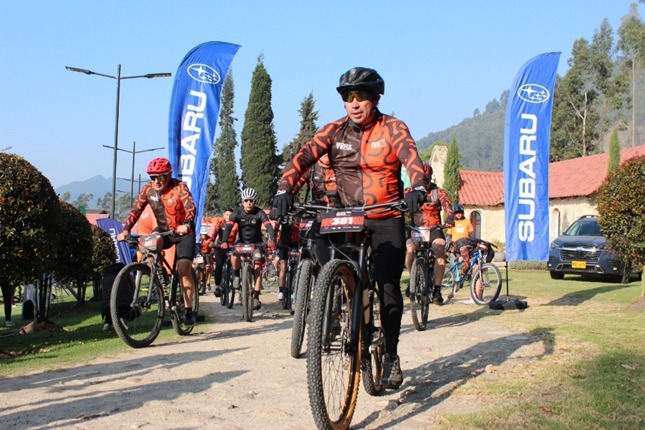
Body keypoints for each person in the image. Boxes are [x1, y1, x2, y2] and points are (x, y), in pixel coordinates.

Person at [272, 67, 428, 390]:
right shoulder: (333, 132)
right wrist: (284, 191)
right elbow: (301, 160)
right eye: (347, 97)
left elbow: (411, 159)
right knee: (319, 245)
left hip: (386, 215)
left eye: (361, 96)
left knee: (387, 287)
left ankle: (390, 355)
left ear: (376, 98)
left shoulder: (393, 128)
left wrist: (417, 187)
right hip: (348, 216)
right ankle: (333, 304)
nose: (354, 103)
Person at [116, 157, 198, 326]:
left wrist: (187, 224)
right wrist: (125, 230)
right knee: (149, 248)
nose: (156, 181)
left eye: (160, 177)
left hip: (183, 232)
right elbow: (135, 210)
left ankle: (189, 309)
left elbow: (190, 206)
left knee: (183, 269)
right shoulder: (148, 190)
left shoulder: (179, 187)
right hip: (163, 231)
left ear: (168, 175)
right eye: (152, 177)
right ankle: (156, 279)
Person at [405, 163, 454, 306]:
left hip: (434, 228)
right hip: (417, 229)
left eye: (426, 179)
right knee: (410, 249)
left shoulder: (438, 192)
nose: (424, 183)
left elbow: (447, 206)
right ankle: (413, 279)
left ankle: (437, 290)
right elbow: (398, 201)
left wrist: (450, 217)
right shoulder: (409, 191)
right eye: (421, 179)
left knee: (439, 248)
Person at [219, 188, 276, 310]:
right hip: (242, 242)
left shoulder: (260, 213)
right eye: (246, 200)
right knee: (234, 254)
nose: (249, 203)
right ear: (242, 201)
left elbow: (269, 227)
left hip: (256, 243)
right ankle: (236, 275)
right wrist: (224, 241)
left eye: (251, 200)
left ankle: (256, 296)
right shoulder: (237, 212)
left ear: (255, 201)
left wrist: (272, 241)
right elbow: (228, 227)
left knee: (257, 267)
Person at [209, 208, 237, 297]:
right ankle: (217, 286)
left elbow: (240, 234)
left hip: (232, 247)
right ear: (223, 215)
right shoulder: (220, 223)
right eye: (227, 214)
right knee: (219, 265)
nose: (228, 216)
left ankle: (238, 283)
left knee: (237, 264)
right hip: (221, 246)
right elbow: (215, 232)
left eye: (230, 215)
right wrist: (212, 241)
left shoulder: (236, 224)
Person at [446, 204, 475, 277]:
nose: (458, 215)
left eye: (460, 213)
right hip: (455, 245)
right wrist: (449, 247)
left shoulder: (467, 221)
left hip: (465, 244)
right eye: (456, 213)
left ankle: (466, 273)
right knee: (454, 264)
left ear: (462, 213)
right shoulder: (452, 222)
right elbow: (449, 235)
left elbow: (471, 233)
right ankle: (456, 277)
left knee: (467, 261)